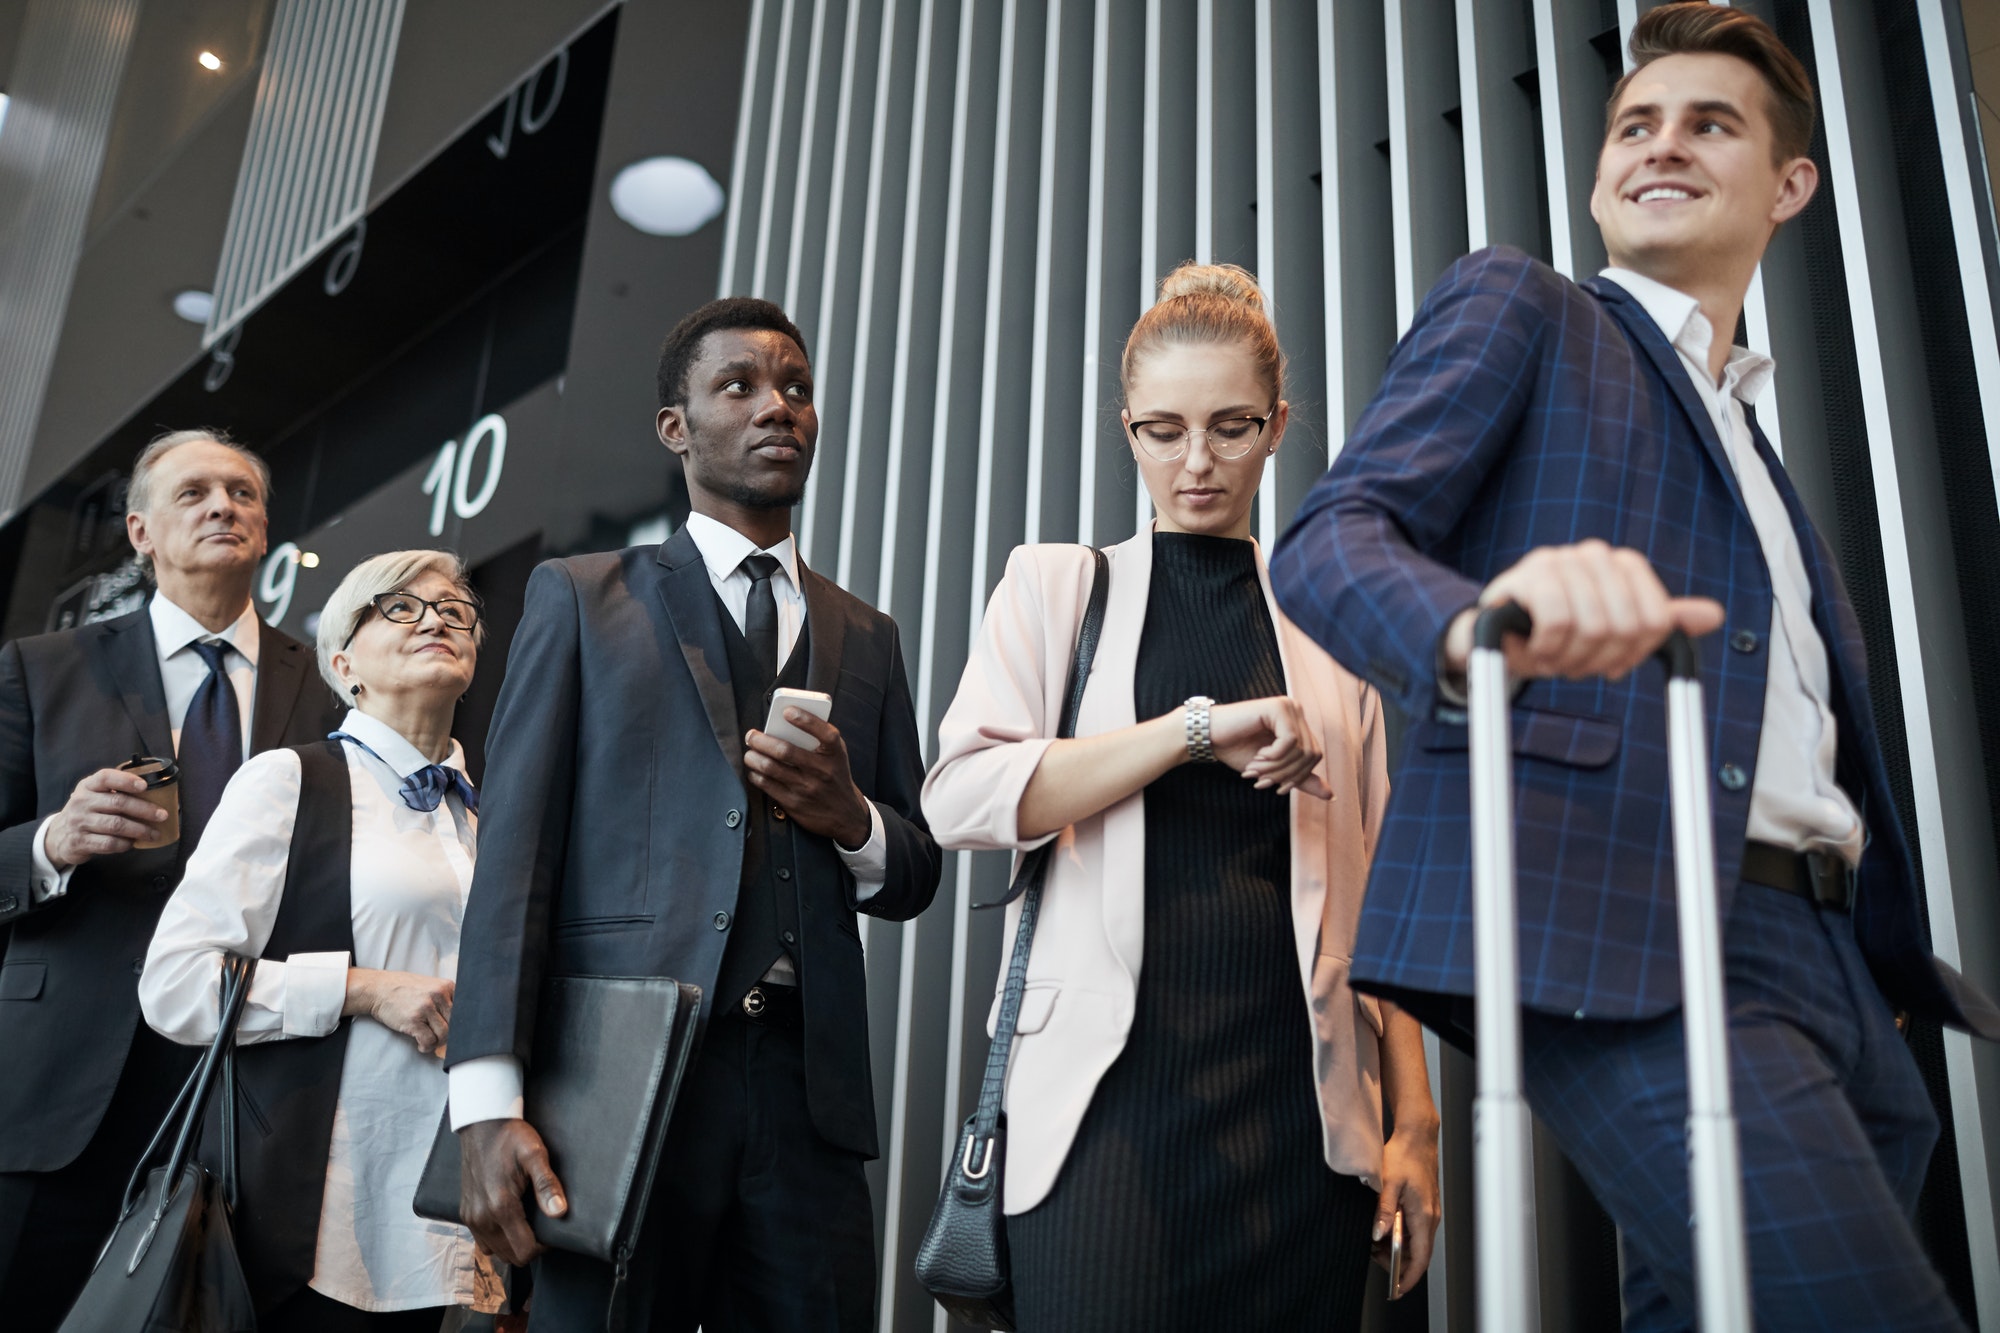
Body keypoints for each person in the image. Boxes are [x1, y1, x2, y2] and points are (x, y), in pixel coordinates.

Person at [1269, 6, 1999, 1329]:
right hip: (1626, 920)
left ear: (1788, 185)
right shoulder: (1527, 306)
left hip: (1833, 970)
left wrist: (1859, 955)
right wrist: (1481, 624)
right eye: (1634, 126)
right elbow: (1329, 540)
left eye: (1708, 124)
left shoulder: (1755, 445)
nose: (1660, 146)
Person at [924, 263, 1442, 1331]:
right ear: (1128, 431)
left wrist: (1415, 1120)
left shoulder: (1328, 630)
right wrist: (1191, 731)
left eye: (1229, 428)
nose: (1195, 462)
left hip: (1302, 1113)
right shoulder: (1058, 586)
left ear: (1277, 427)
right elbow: (961, 798)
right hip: (1100, 1108)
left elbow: (1386, 890)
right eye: (1162, 431)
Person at [446, 297, 942, 1330]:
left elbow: (916, 870)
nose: (777, 406)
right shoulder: (581, 596)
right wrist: (485, 1101)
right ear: (676, 426)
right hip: (620, 1077)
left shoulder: (870, 635)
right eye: (739, 386)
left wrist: (852, 818)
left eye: (796, 387)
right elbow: (515, 861)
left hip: (807, 1095)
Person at [0, 429, 338, 1331]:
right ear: (140, 531)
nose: (222, 505)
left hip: (247, 1083)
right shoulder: (41, 668)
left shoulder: (329, 690)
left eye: (241, 493)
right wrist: (52, 842)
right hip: (65, 1085)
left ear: (264, 527)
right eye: (193, 492)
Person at [139, 549, 503, 1330]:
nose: (436, 618)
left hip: (456, 1214)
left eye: (454, 609)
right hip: (315, 1218)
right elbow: (174, 982)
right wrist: (362, 989)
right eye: (399, 606)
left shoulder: (493, 818)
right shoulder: (290, 779)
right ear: (344, 663)